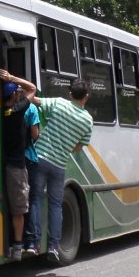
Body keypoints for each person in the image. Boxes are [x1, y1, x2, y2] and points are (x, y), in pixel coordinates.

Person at [31, 79, 93, 264]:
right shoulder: (87, 120)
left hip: (41, 158)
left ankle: (34, 243)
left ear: (70, 94)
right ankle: (53, 247)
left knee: (34, 199)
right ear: (86, 97)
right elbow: (78, 147)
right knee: (56, 206)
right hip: (59, 165)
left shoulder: (59, 103)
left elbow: (36, 101)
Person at [0, 69, 37, 261]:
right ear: (13, 95)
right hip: (16, 167)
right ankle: (17, 246)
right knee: (19, 210)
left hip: (0, 164)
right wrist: (12, 77)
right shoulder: (16, 111)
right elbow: (32, 88)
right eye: (16, 92)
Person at [23, 101, 41, 255]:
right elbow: (35, 134)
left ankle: (19, 241)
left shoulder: (8, 106)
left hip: (13, 160)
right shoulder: (31, 108)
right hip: (29, 158)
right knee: (33, 200)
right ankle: (32, 242)